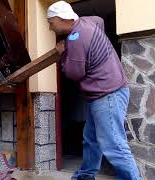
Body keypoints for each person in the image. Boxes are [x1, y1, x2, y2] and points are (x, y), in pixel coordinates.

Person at [46, 1, 141, 180]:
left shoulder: (76, 38)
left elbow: (74, 74)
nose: (50, 28)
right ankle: (85, 175)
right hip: (102, 94)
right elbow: (100, 21)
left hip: (107, 95)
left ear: (62, 18)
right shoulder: (88, 22)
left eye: (51, 22)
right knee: (92, 139)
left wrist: (62, 54)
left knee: (114, 145)